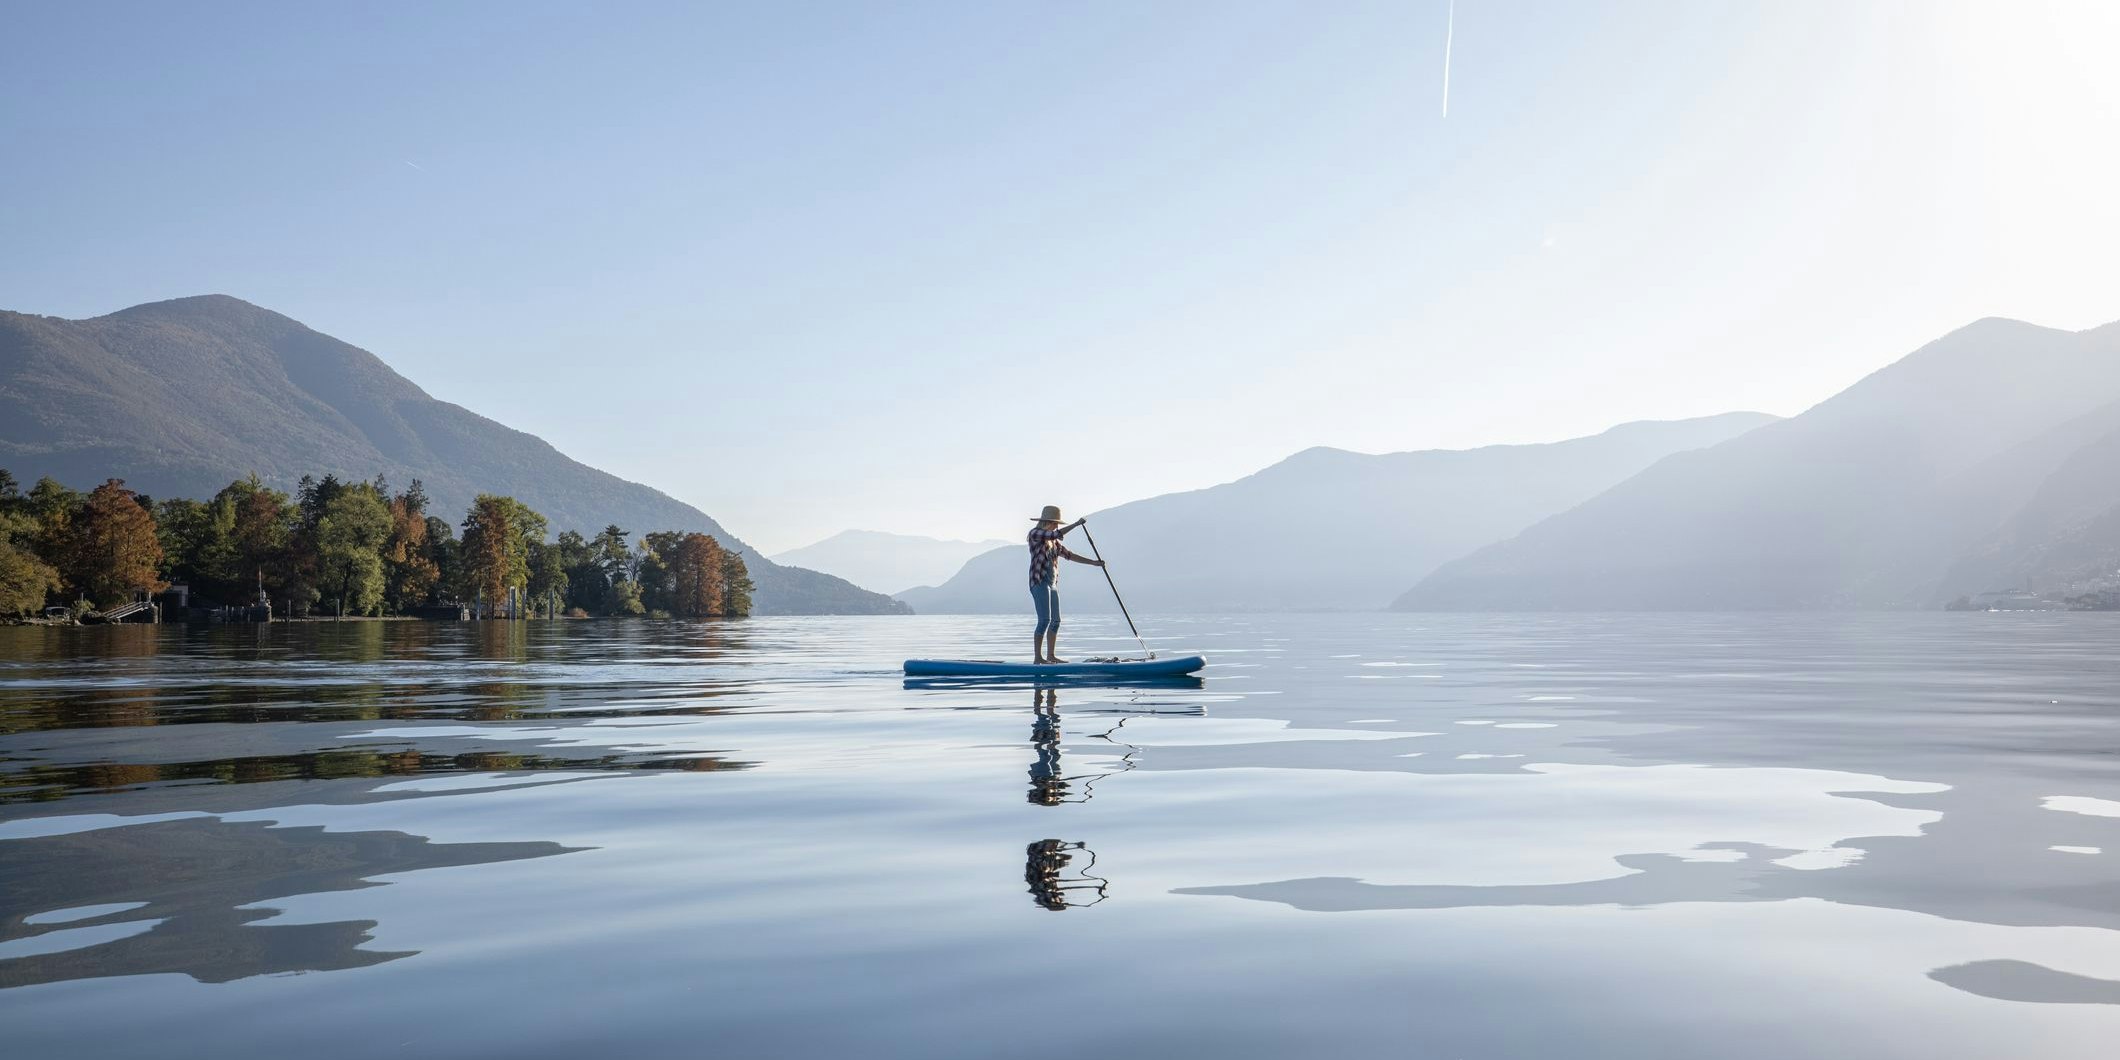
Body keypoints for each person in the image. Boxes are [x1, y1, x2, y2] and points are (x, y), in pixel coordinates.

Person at [1026, 505, 1103, 664]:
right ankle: (1038, 658)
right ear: (1047, 522)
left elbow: (1069, 555)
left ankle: (1051, 656)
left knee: (1056, 621)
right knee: (1044, 620)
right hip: (1039, 582)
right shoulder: (1035, 534)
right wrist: (1076, 524)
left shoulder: (1054, 543)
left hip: (1052, 584)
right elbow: (1057, 534)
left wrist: (1093, 563)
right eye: (1055, 523)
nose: (1056, 526)